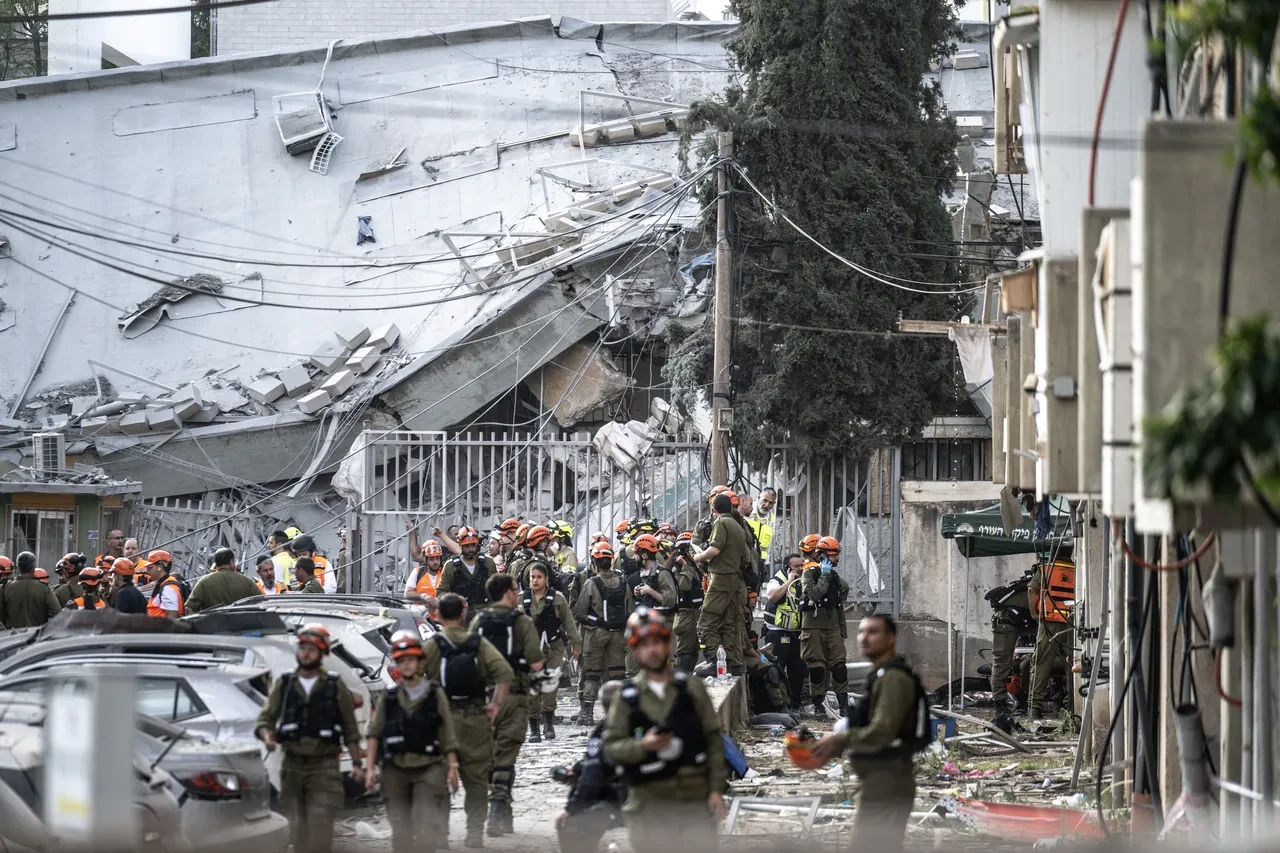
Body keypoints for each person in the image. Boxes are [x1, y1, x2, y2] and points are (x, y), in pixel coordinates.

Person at [603, 608, 727, 853]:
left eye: (658, 642)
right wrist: (642, 746)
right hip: (649, 806)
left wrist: (715, 790)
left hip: (694, 803)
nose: (652, 650)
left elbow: (712, 740)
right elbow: (611, 748)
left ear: (668, 644)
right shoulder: (627, 698)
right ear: (635, 649)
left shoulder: (691, 689)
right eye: (645, 644)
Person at [810, 615, 931, 852]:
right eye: (862, 631)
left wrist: (839, 740)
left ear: (891, 638)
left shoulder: (894, 678)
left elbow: (882, 731)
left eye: (873, 632)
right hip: (878, 781)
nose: (865, 637)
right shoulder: (881, 675)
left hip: (888, 780)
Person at [255, 624, 363, 853]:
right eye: (302, 648)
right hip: (292, 765)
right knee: (297, 829)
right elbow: (266, 719)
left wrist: (356, 764)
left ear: (322, 653)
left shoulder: (334, 686)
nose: (306, 653)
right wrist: (267, 737)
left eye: (312, 649)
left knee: (321, 821)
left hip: (324, 766)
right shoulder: (284, 684)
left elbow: (350, 728)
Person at [420, 593, 513, 849]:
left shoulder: (432, 645)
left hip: (441, 722)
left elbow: (412, 679)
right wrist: (494, 706)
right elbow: (504, 673)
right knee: (476, 781)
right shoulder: (477, 643)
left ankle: (440, 836)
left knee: (438, 779)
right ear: (462, 615)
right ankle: (473, 834)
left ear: (437, 616)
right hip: (474, 720)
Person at [365, 631, 460, 853]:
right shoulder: (389, 697)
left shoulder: (434, 694)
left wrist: (452, 767)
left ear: (419, 662)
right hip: (395, 769)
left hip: (429, 766)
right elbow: (374, 733)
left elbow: (447, 733)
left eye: (410, 660)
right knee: (401, 831)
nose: (406, 665)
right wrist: (370, 769)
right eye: (401, 661)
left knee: (427, 826)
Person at [469, 573, 546, 837]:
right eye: (515, 589)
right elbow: (536, 664)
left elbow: (470, 657)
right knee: (507, 752)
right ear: (508, 593)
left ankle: (504, 811)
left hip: (484, 698)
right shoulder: (521, 621)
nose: (518, 593)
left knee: (491, 752)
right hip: (514, 695)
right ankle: (499, 803)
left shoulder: (479, 620)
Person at [554, 680, 626, 853]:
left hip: (623, 800)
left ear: (604, 706)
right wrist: (578, 768)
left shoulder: (606, 730)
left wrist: (572, 808)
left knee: (568, 825)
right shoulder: (648, 724)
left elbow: (593, 774)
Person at [522, 562, 580, 742]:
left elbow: (568, 623)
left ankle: (548, 724)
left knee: (549, 686)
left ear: (546, 579)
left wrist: (576, 645)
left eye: (539, 577)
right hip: (530, 649)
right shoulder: (521, 599)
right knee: (532, 688)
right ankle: (534, 729)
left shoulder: (558, 599)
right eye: (533, 577)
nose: (535, 580)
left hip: (553, 647)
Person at [693, 492, 748, 676]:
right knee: (729, 623)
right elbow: (745, 558)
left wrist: (698, 556)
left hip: (721, 578)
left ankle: (715, 661)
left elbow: (714, 549)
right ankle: (734, 664)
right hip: (735, 580)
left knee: (705, 622)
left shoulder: (721, 523)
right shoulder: (739, 527)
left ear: (714, 509)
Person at [574, 539, 629, 726]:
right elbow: (631, 610)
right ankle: (616, 715)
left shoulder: (591, 583)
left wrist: (595, 620)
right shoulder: (623, 581)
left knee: (591, 673)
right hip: (619, 634)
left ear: (595, 561)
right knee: (617, 674)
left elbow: (580, 612)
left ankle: (587, 714)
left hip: (596, 634)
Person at [800, 536, 850, 715]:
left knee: (839, 667)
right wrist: (824, 574)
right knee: (817, 667)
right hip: (813, 627)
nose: (837, 559)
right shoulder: (809, 574)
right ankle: (818, 705)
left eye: (837, 555)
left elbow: (842, 597)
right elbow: (814, 594)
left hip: (833, 627)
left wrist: (842, 630)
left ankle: (844, 705)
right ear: (822, 556)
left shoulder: (834, 576)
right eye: (833, 555)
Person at [1027, 557, 1075, 719]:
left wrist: (1034, 614)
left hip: (1049, 622)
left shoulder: (1046, 568)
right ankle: (1071, 706)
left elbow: (1031, 590)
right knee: (1072, 664)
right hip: (1070, 622)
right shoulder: (1075, 568)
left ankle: (1034, 709)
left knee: (1041, 663)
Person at [624, 534, 676, 677]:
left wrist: (650, 591)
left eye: (636, 554)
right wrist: (639, 592)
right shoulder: (641, 574)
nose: (634, 558)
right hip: (644, 625)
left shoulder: (662, 574)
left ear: (644, 555)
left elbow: (670, 599)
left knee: (663, 665)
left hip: (662, 625)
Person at [763, 553, 808, 712]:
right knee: (777, 670)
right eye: (797, 566)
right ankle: (779, 705)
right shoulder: (777, 580)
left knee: (798, 671)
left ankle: (795, 704)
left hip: (796, 633)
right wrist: (789, 580)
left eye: (802, 565)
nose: (801, 569)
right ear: (788, 568)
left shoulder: (804, 581)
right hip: (777, 633)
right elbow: (772, 597)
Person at [438, 527, 497, 613]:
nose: (470, 549)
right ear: (460, 544)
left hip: (485, 616)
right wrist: (454, 599)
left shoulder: (488, 562)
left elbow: (497, 590)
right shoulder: (450, 566)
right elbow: (440, 593)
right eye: (467, 546)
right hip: (461, 616)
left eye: (473, 545)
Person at [669, 531, 705, 673]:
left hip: (697, 613)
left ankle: (688, 679)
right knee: (684, 652)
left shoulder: (695, 568)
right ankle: (678, 680)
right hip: (685, 615)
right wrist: (684, 565)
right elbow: (684, 586)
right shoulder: (677, 569)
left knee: (695, 649)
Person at [187, 548, 261, 612]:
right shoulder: (246, 581)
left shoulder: (204, 581)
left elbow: (188, 608)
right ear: (231, 562)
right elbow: (261, 602)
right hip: (240, 626)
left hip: (212, 626)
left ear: (216, 563)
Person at [1, 552, 61, 627]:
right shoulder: (44, 589)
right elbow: (57, 613)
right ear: (33, 568)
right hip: (36, 635)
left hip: (11, 636)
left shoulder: (5, 588)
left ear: (17, 568)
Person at [404, 537, 446, 613]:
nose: (435, 562)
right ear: (425, 559)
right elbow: (407, 594)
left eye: (437, 558)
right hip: (421, 617)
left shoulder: (445, 571)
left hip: (442, 617)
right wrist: (423, 596)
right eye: (431, 559)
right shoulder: (418, 571)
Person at [145, 550, 185, 618]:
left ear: (160, 567)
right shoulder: (163, 585)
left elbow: (172, 618)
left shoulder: (168, 589)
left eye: (150, 568)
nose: (147, 571)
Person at [745, 489, 777, 567]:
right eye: (765, 500)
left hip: (760, 562)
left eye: (770, 503)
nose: (767, 505)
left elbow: (769, 544)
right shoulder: (747, 511)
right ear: (759, 498)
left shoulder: (772, 518)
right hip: (745, 560)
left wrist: (766, 562)